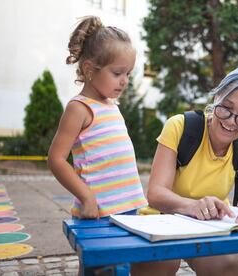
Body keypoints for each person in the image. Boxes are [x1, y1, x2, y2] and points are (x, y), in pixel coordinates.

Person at [135, 67, 238, 276]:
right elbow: (156, 194)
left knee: (230, 265)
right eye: (226, 108)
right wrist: (193, 206)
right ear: (216, 98)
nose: (231, 121)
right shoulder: (180, 127)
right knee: (159, 262)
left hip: (210, 226)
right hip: (161, 219)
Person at [47, 16, 147, 220]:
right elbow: (56, 159)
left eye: (128, 74)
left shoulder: (111, 106)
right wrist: (87, 198)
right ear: (89, 70)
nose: (124, 81)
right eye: (117, 73)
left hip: (129, 209)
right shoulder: (79, 108)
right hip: (99, 212)